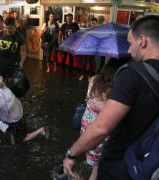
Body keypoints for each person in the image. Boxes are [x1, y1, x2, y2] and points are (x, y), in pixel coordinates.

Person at [63, 15, 159, 179]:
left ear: (142, 40)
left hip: (121, 164)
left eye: (130, 43)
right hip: (148, 162)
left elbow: (101, 128)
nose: (128, 50)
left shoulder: (131, 74)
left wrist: (72, 154)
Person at [80, 59, 126, 180]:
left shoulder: (94, 79)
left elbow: (88, 99)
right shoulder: (118, 86)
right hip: (101, 127)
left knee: (92, 160)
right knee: (98, 164)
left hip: (87, 123)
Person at [0, 17, 26, 85]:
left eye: (10, 28)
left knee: (13, 84)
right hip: (1, 63)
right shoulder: (0, 34)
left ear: (15, 26)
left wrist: (21, 63)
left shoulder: (19, 36)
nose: (7, 30)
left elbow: (23, 52)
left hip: (13, 64)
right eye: (6, 28)